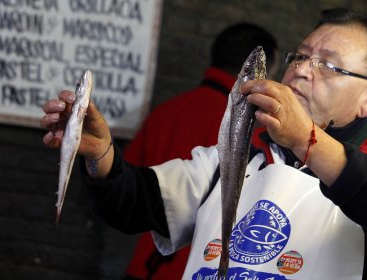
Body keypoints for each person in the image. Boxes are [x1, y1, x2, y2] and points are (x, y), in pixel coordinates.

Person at [41, 7, 367, 280]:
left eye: (328, 65)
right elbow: (137, 200)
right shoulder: (237, 163)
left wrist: (305, 140)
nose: (303, 71)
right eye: (300, 57)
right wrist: (100, 153)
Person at [121, 22, 278, 280]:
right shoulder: (253, 131)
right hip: (199, 269)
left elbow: (129, 184)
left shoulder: (167, 111)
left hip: (143, 267)